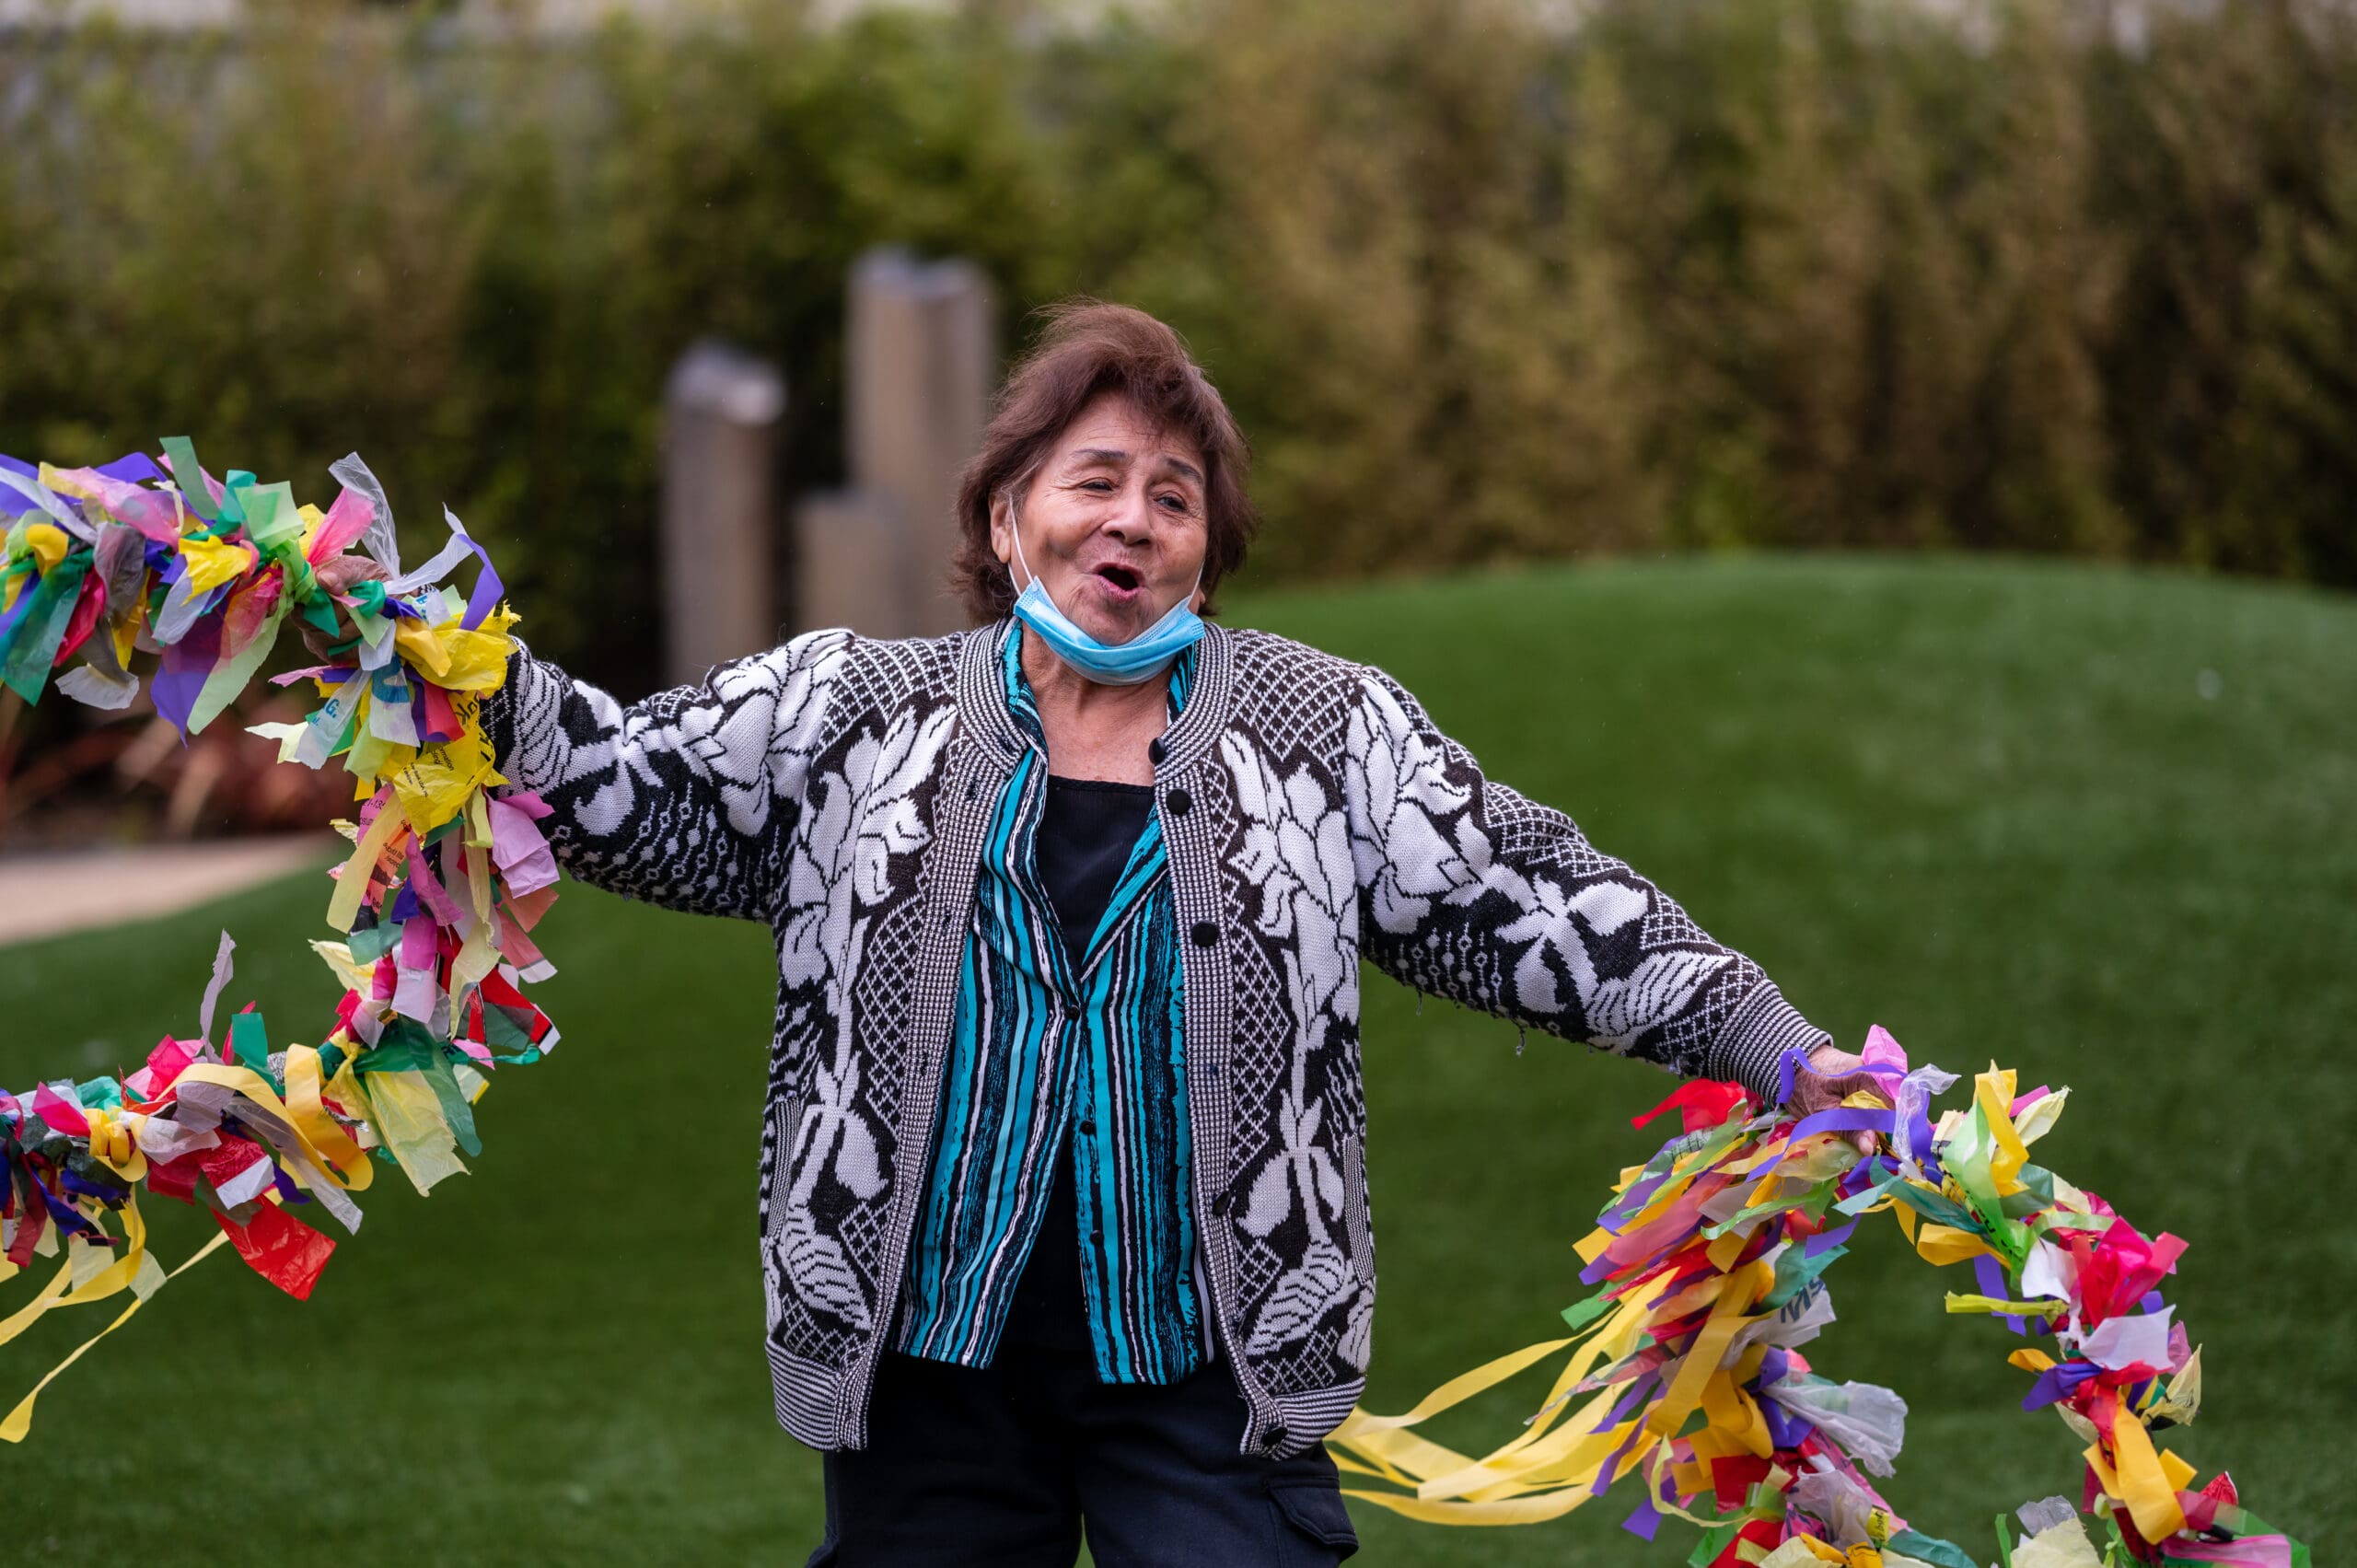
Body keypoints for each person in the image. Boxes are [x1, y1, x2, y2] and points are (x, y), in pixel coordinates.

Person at [478, 300, 1875, 1566]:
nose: (1132, 521)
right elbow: (608, 775)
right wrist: (442, 665)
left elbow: (1529, 895)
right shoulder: (850, 710)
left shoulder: (1327, 732)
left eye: (1173, 497)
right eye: (1095, 482)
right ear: (1009, 512)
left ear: (1206, 557)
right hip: (928, 1365)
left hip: (1216, 1374)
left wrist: (1766, 1041)